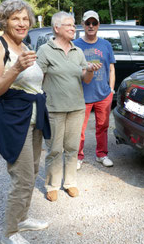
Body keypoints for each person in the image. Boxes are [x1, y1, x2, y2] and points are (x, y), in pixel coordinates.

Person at [0, 0, 51, 244]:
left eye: (25, 19)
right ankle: (10, 233)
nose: (22, 23)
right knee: (22, 178)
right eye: (15, 18)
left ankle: (22, 219)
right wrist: (15, 69)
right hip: (13, 120)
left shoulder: (24, 44)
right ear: (4, 20)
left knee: (32, 171)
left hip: (32, 118)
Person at [37, 11, 101, 202]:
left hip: (76, 108)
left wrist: (89, 70)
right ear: (56, 28)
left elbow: (85, 79)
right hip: (54, 109)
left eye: (74, 25)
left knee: (72, 148)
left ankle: (70, 183)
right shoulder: (45, 51)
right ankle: (52, 184)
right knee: (55, 149)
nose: (74, 28)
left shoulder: (78, 51)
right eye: (69, 25)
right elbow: (36, 78)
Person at [73, 10, 116, 168]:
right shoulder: (76, 45)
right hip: (82, 95)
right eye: (88, 23)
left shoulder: (106, 45)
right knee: (79, 129)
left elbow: (111, 68)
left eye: (94, 23)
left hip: (103, 95)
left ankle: (101, 154)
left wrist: (111, 89)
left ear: (98, 25)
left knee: (103, 126)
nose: (91, 26)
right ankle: (78, 157)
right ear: (83, 25)